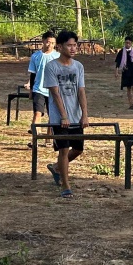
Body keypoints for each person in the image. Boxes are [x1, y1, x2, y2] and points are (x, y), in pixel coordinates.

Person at [42, 30, 88, 200]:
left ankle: (56, 167)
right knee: (63, 149)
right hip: (59, 117)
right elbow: (55, 93)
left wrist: (84, 114)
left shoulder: (78, 67)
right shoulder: (51, 67)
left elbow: (81, 91)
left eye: (75, 45)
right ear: (60, 47)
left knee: (78, 149)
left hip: (75, 115)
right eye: (69, 45)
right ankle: (65, 185)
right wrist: (63, 116)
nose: (73, 48)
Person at [27, 30, 59, 124]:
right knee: (37, 113)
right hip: (39, 89)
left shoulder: (58, 57)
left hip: (53, 91)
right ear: (43, 41)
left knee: (52, 116)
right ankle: (36, 132)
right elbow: (33, 74)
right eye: (48, 42)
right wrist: (31, 90)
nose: (50, 45)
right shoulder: (35, 56)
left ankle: (49, 134)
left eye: (53, 43)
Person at [115, 36, 133, 109]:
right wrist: (116, 71)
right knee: (128, 88)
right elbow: (118, 62)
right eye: (126, 43)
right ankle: (130, 103)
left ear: (131, 43)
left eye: (129, 43)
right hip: (126, 71)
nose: (127, 44)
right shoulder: (121, 52)